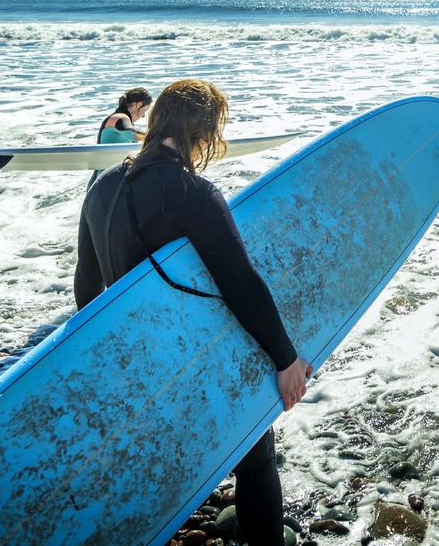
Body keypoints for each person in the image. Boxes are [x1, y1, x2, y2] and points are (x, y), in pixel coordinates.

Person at [74, 79, 311, 546]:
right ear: (202, 132)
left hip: (134, 366)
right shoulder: (191, 191)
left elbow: (87, 284)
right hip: (184, 363)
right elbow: (241, 283)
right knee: (257, 454)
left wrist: (106, 364)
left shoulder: (101, 188)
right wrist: (286, 360)